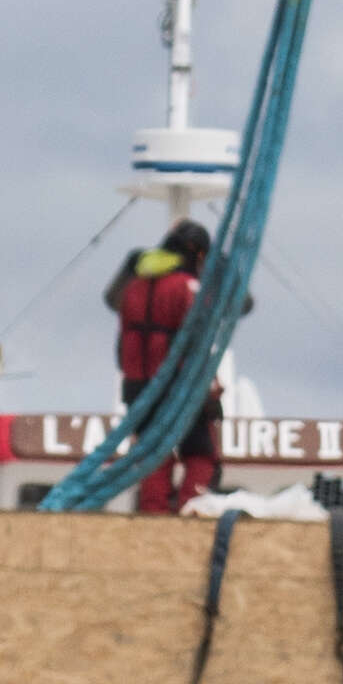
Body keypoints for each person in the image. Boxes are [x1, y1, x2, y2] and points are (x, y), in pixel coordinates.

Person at [103, 219, 224, 515]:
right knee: (202, 454)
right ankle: (191, 513)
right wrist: (211, 387)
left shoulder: (133, 288)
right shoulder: (187, 286)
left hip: (137, 389)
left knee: (152, 454)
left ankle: (155, 517)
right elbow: (198, 339)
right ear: (197, 253)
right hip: (180, 387)